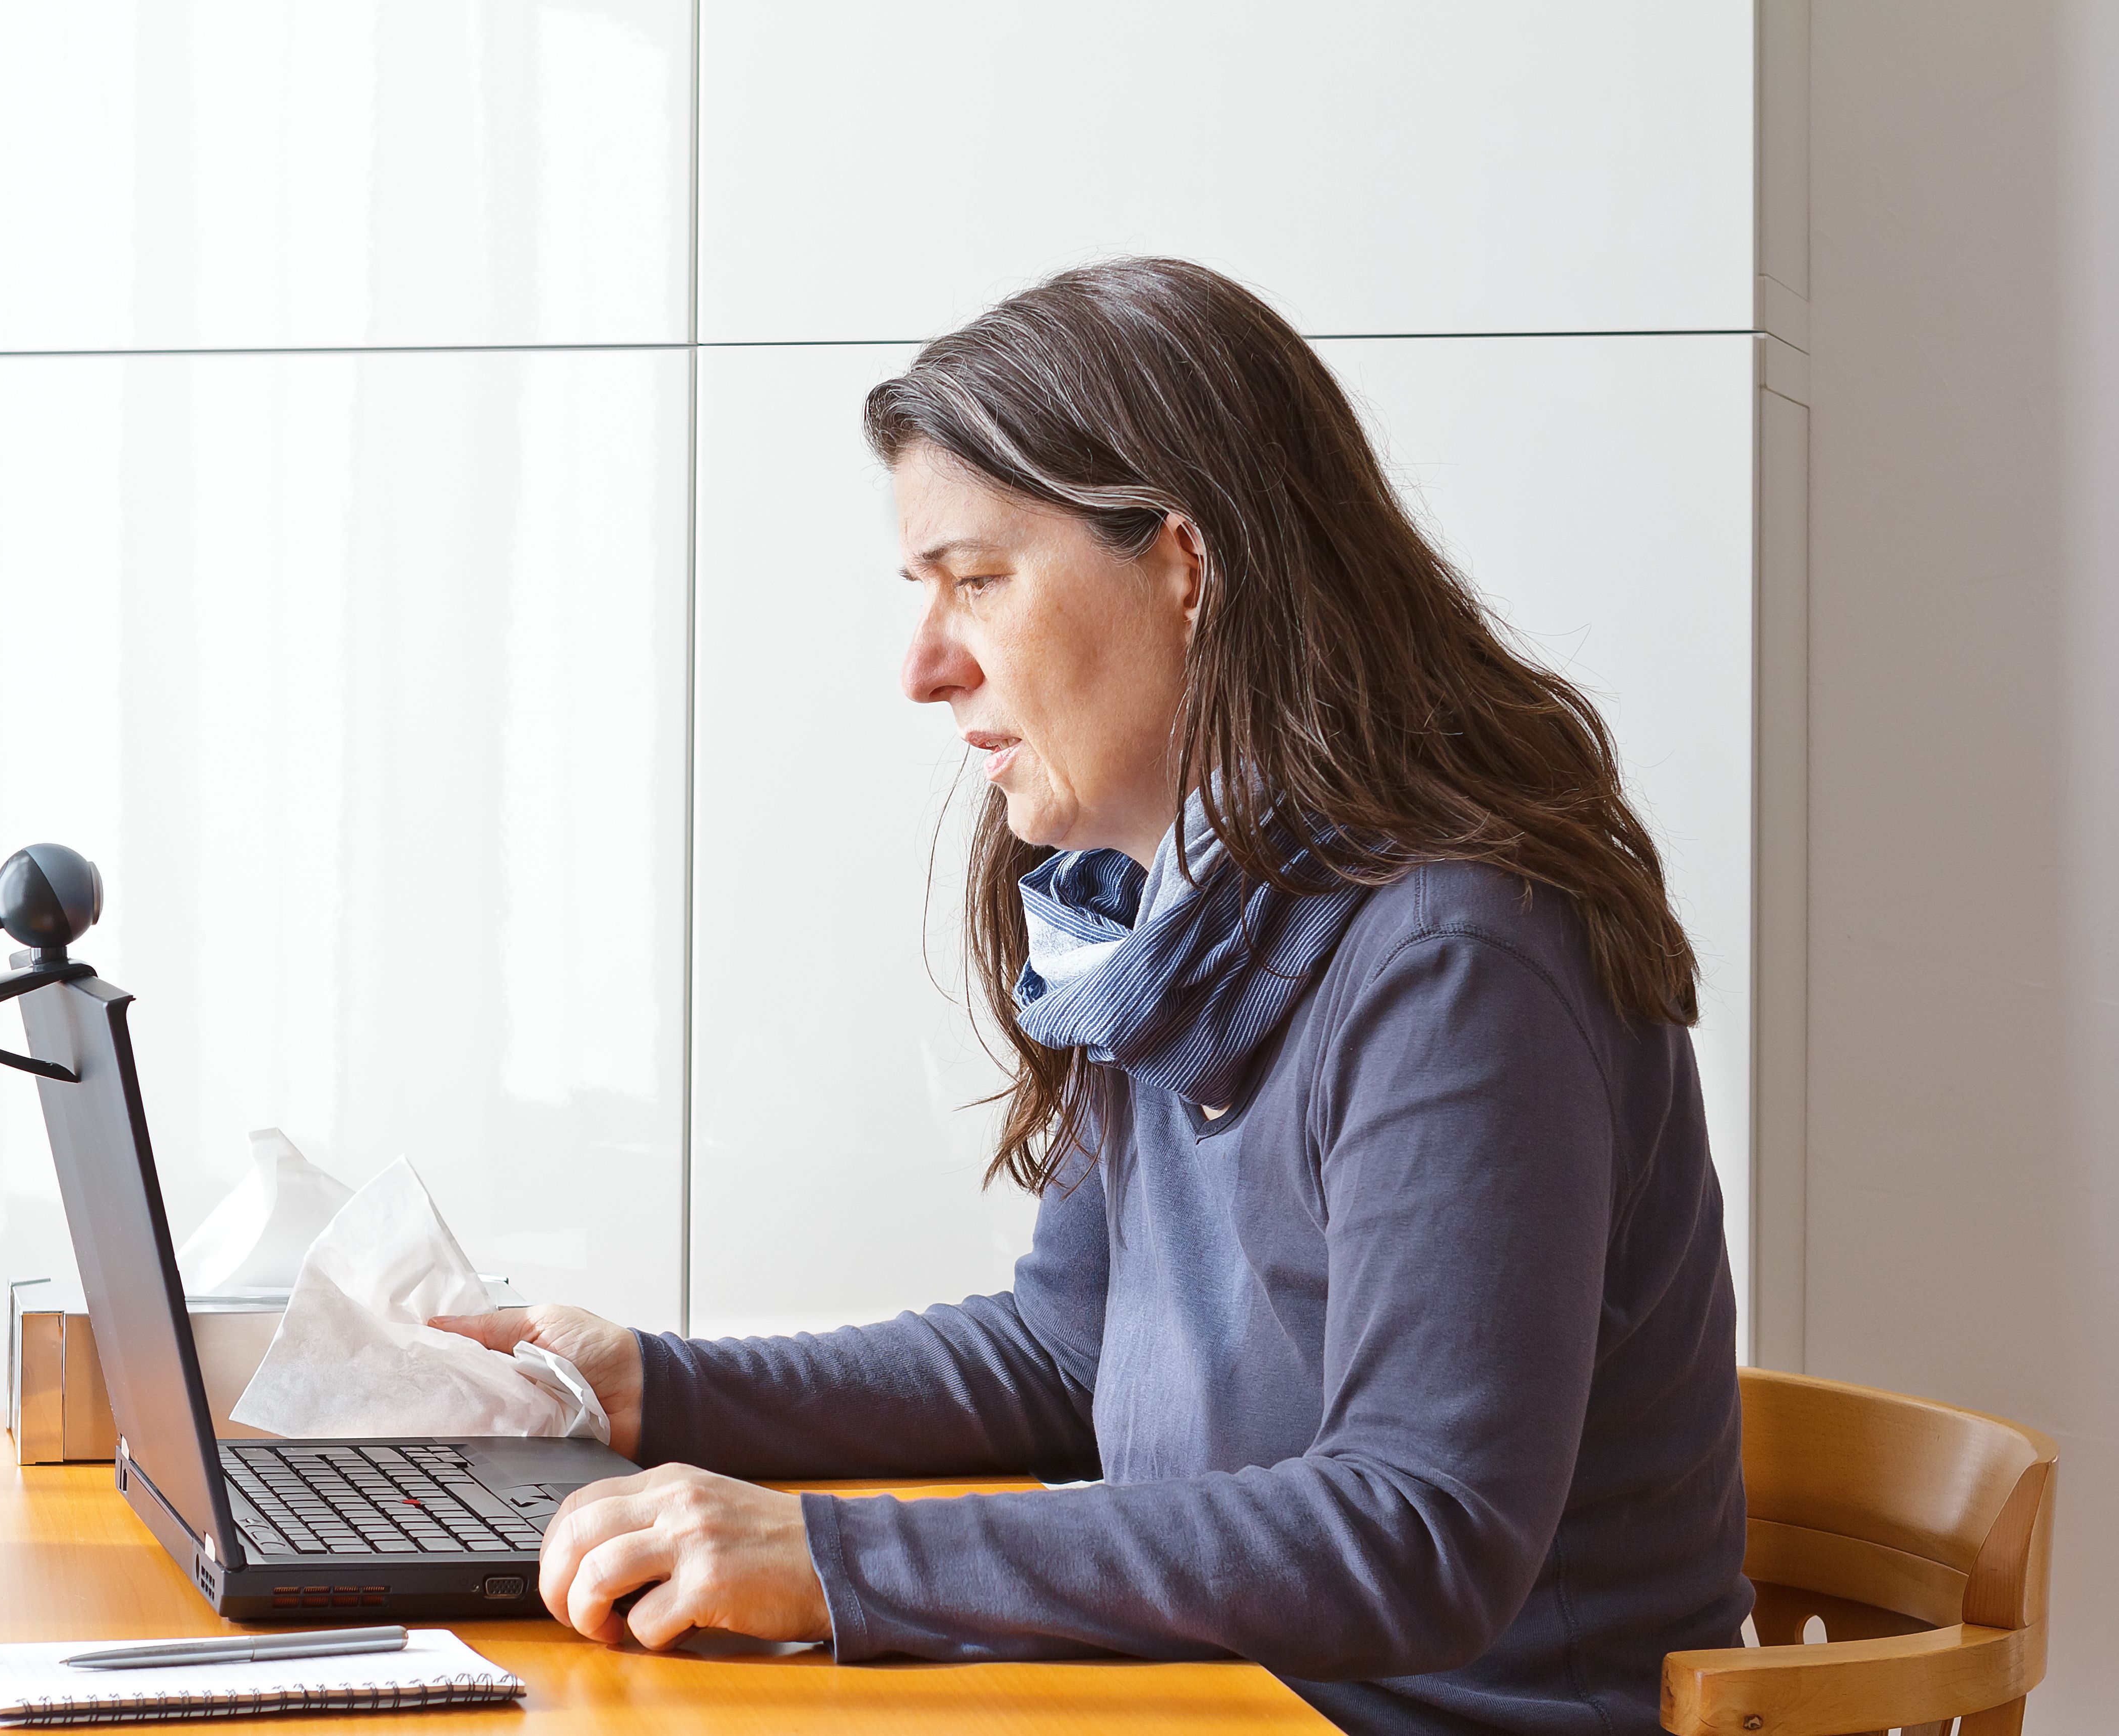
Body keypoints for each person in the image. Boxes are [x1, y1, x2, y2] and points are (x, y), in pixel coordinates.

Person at [437, 256, 1749, 1735]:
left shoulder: (1458, 954)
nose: (924, 666)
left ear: (1183, 564)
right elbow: (1064, 1350)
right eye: (922, 590)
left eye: (978, 580)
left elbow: (1418, 1528)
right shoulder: (1179, 907)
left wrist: (830, 1556)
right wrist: (641, 1386)